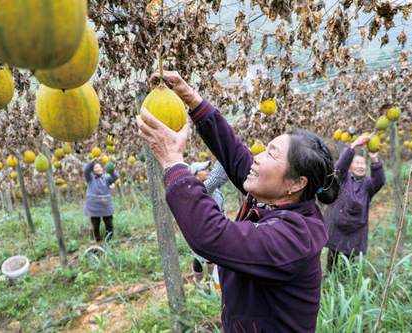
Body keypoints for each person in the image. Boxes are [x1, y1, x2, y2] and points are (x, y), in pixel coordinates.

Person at [136, 71, 339, 332]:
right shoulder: (276, 195)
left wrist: (173, 162)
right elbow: (234, 154)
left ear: (296, 183)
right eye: (265, 148)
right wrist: (190, 97)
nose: (257, 157)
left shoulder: (296, 237)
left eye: (271, 154)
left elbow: (211, 235)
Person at [323, 136, 386, 273]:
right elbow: (340, 165)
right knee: (333, 255)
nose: (360, 166)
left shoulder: (368, 184)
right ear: (349, 167)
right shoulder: (342, 179)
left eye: (363, 163)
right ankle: (330, 277)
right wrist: (353, 146)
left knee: (349, 257)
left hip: (356, 228)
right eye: (356, 163)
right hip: (337, 225)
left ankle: (346, 279)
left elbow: (380, 180)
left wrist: (374, 158)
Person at [190, 160, 229, 290]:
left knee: (212, 257)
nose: (208, 171)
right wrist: (223, 152)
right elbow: (215, 177)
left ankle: (213, 281)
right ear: (195, 176)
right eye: (204, 169)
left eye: (208, 168)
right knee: (199, 258)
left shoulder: (210, 186)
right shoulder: (201, 189)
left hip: (216, 226)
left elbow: (223, 176)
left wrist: (233, 161)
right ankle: (199, 281)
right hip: (204, 228)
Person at [83, 157, 120, 243]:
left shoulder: (107, 178)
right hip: (93, 205)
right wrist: (91, 162)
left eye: (100, 167)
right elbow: (85, 171)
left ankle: (109, 239)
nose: (99, 168)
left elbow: (116, 176)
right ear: (92, 171)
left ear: (103, 169)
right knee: (95, 224)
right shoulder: (90, 178)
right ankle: (96, 239)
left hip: (105, 204)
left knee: (109, 223)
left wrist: (109, 165)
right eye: (96, 167)